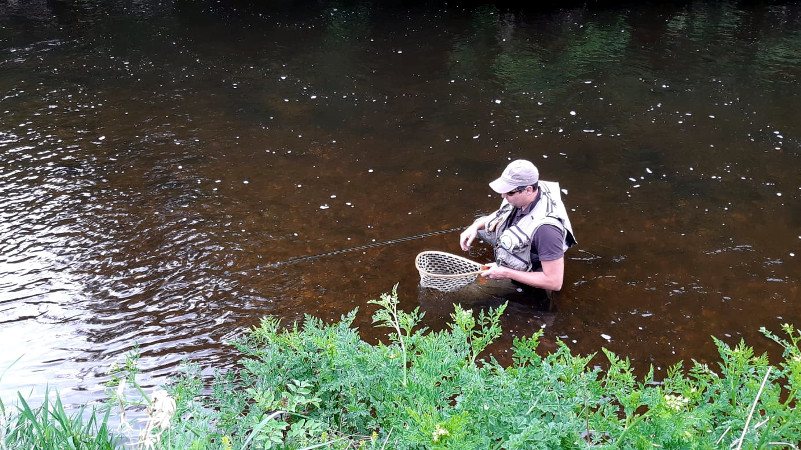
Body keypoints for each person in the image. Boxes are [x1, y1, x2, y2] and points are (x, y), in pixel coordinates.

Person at [459, 159, 577, 292]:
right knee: (478, 223)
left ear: (528, 190)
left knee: (473, 291)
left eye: (509, 192)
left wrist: (506, 273)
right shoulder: (527, 193)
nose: (503, 196)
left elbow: (554, 282)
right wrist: (475, 227)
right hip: (516, 232)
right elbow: (503, 212)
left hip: (533, 261)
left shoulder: (547, 231)